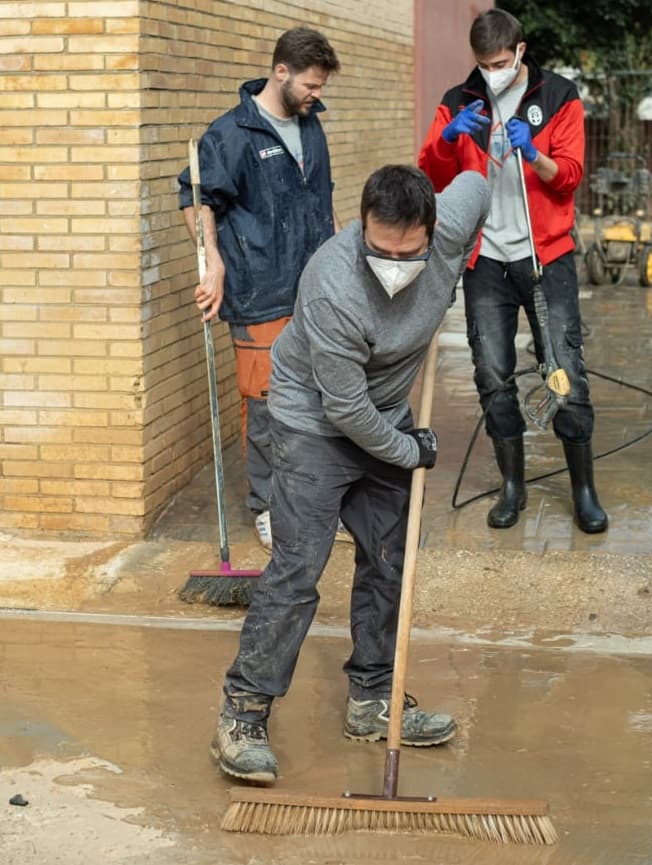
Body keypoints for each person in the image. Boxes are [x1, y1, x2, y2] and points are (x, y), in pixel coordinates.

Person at [210, 165, 490, 784]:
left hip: (384, 413)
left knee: (390, 559)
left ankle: (372, 701)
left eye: (406, 251)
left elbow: (478, 179)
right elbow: (346, 410)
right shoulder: (332, 283)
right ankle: (244, 712)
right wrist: (408, 450)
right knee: (298, 567)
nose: (391, 263)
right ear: (359, 227)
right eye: (377, 248)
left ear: (433, 230)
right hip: (314, 421)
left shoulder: (449, 228)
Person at [418, 8, 608, 534]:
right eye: (483, 63)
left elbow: (568, 177)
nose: (492, 72)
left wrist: (534, 157)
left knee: (564, 370)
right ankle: (511, 487)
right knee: (493, 375)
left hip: (547, 256)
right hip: (486, 261)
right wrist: (449, 138)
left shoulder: (559, 96)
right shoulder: (460, 101)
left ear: (520, 51)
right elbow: (430, 173)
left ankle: (584, 491)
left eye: (500, 62)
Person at [178, 27, 350, 552]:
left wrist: (341, 262)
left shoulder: (310, 125)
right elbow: (196, 199)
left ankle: (313, 502)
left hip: (314, 288)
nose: (317, 94)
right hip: (259, 291)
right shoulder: (231, 134)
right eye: (312, 85)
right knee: (267, 405)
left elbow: (322, 198)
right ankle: (268, 506)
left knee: (321, 399)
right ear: (282, 72)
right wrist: (214, 265)